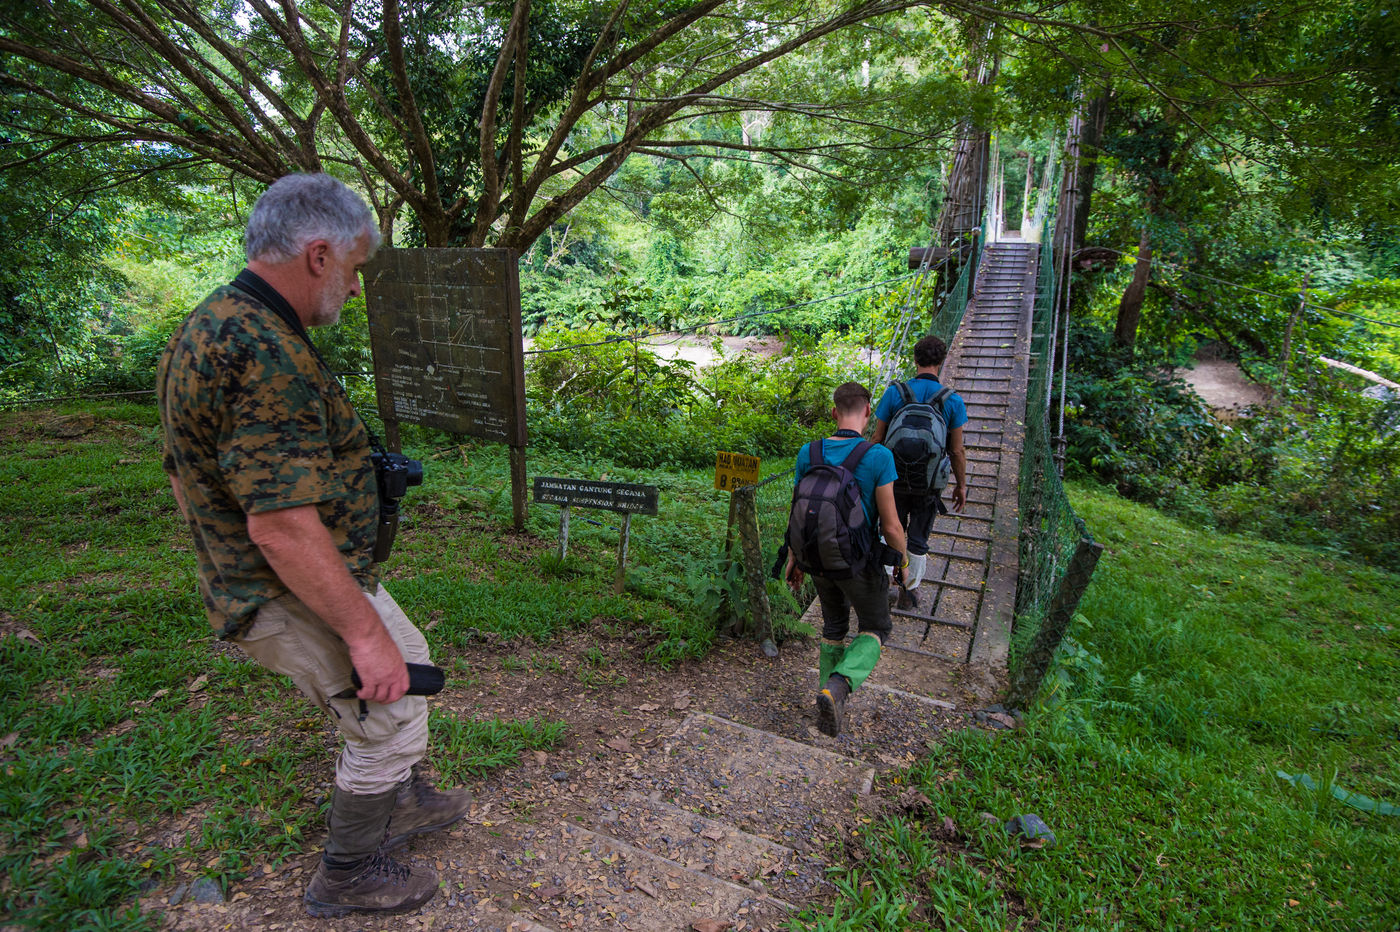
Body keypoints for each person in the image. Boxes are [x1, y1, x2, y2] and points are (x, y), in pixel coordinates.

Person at [158, 173, 468, 918]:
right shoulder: (258, 350)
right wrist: (361, 634)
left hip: (305, 569)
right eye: (357, 270)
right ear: (320, 254)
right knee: (386, 712)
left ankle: (398, 800)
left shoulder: (220, 320)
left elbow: (187, 474)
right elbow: (281, 525)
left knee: (410, 659)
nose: (356, 291)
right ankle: (350, 870)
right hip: (277, 584)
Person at [784, 382, 908, 738]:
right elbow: (892, 525)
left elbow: (798, 512)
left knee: (833, 628)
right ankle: (837, 687)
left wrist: (795, 560)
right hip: (858, 564)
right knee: (877, 627)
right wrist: (902, 564)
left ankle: (827, 698)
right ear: (869, 412)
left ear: (834, 412)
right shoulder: (879, 456)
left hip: (817, 560)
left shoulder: (809, 452)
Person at [871, 334, 968, 590]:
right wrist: (961, 485)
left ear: (915, 359)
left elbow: (878, 438)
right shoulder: (952, 400)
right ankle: (909, 590)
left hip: (893, 479)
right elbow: (957, 451)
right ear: (942, 360)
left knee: (890, 529)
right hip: (929, 484)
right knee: (918, 539)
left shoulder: (895, 393)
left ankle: (884, 583)